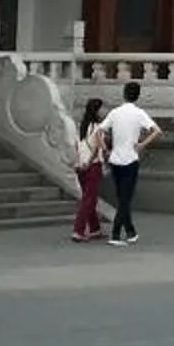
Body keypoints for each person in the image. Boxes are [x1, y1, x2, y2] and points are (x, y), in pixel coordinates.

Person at [101, 80, 160, 246]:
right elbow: (156, 131)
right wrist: (142, 144)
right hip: (130, 159)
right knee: (125, 199)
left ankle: (131, 231)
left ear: (124, 94)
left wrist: (105, 148)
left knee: (122, 197)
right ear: (137, 96)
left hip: (115, 159)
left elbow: (100, 131)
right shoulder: (139, 113)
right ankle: (115, 234)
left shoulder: (115, 112)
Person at [69, 97, 109, 243]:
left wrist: (78, 162)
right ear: (97, 110)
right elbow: (98, 148)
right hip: (92, 166)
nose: (105, 111)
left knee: (89, 197)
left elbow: (76, 146)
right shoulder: (98, 128)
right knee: (88, 199)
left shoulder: (81, 126)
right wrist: (89, 162)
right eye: (102, 108)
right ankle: (78, 230)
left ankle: (95, 229)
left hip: (80, 166)